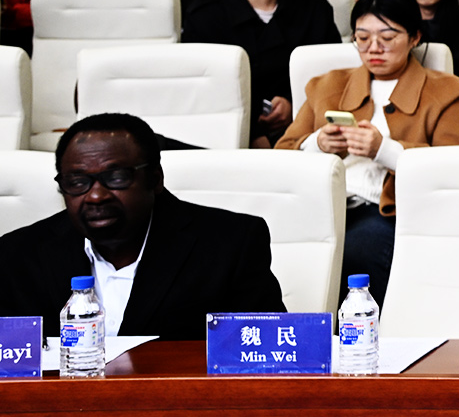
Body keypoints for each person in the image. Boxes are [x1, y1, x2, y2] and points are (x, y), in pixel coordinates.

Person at [0, 113, 285, 340]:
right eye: (77, 182)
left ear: (156, 178)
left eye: (116, 177)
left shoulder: (230, 244)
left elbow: (263, 349)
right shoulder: (19, 254)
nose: (96, 195)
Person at [278, 0, 459, 305]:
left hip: (388, 211)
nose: (374, 48)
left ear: (414, 38)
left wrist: (384, 150)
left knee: (356, 255)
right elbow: (281, 154)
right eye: (362, 37)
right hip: (319, 204)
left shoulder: (451, 92)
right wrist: (316, 144)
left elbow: (454, 170)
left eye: (387, 36)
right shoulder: (325, 85)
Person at [182, 0, 339, 147]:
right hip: (230, 138)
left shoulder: (313, 7)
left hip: (307, 133)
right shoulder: (206, 17)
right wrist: (253, 128)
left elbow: (333, 76)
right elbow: (202, 92)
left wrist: (293, 103)